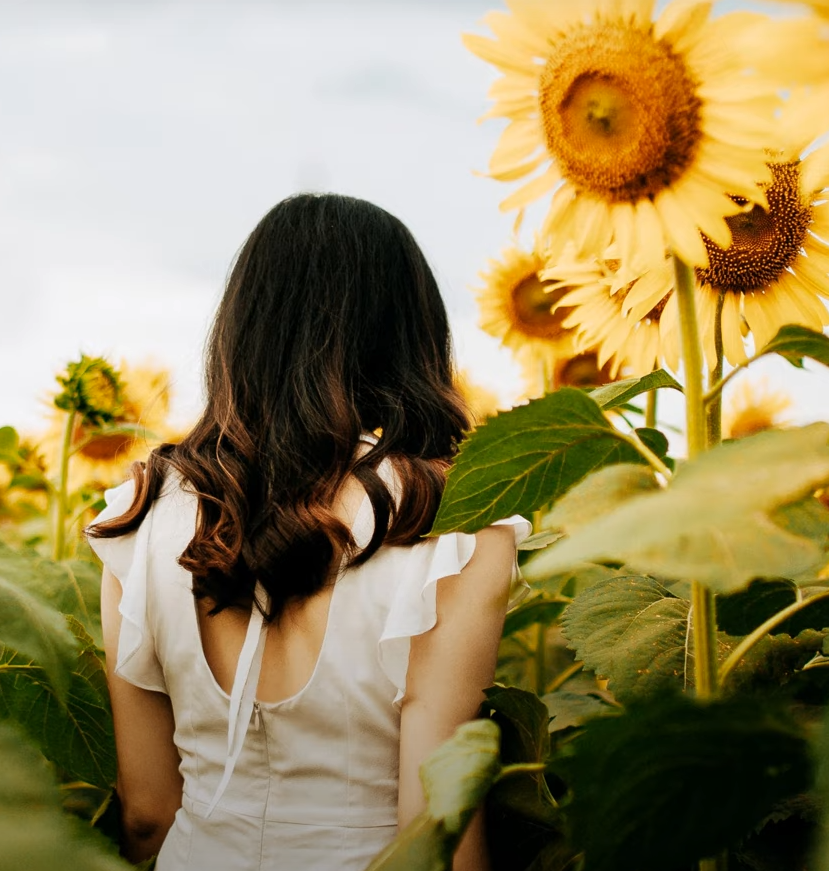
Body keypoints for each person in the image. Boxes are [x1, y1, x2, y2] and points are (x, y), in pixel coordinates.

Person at [86, 193, 527, 871]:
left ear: (242, 326)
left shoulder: (142, 512)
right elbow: (434, 828)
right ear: (411, 333)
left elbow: (145, 812)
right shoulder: (453, 518)